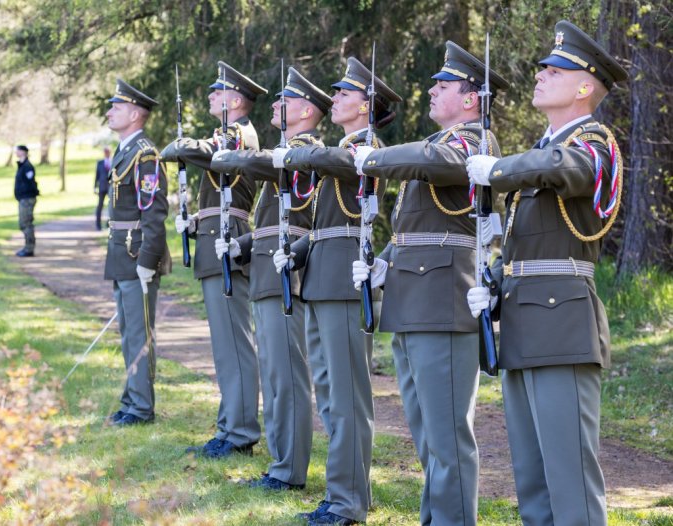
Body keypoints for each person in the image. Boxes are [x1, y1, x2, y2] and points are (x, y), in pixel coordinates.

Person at [466, 20, 628, 526]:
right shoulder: (544, 149)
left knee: (570, 480)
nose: (540, 75)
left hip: (562, 325)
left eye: (553, 70)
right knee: (532, 480)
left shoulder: (592, 144)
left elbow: (564, 169)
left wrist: (497, 169)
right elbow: (528, 240)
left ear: (583, 86)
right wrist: (494, 284)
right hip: (524, 321)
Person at [350, 41, 509, 526]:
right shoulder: (439, 144)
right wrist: (384, 264)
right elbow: (413, 229)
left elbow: (432, 164)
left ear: (470, 99)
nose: (432, 90)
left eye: (444, 85)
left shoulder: (474, 142)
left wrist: (371, 159)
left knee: (447, 437)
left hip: (443, 299)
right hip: (413, 297)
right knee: (426, 432)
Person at [273, 56, 402, 525]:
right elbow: (326, 226)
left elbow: (324, 159)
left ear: (367, 106)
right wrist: (300, 251)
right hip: (324, 277)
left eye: (346, 94)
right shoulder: (344, 147)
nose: (336, 99)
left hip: (345, 282)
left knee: (346, 396)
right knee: (330, 392)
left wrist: (290, 153)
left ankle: (347, 503)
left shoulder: (365, 148)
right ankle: (348, 492)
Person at [210, 67, 332, 490]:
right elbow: (268, 222)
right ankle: (281, 464)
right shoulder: (287, 153)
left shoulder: (303, 152)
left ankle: (289, 470)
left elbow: (294, 214)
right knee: (275, 373)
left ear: (306, 110)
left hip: (285, 273)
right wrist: (243, 247)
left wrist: (230, 157)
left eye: (285, 101)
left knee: (287, 377)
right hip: (265, 266)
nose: (276, 106)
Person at [161, 62, 267, 458]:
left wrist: (184, 145)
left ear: (235, 100)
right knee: (224, 345)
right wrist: (194, 221)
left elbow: (195, 151)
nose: (208, 96)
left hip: (228, 243)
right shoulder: (227, 136)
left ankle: (240, 433)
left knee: (234, 343)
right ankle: (229, 427)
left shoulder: (239, 135)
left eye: (217, 91)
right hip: (213, 238)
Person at [103, 79, 170, 426]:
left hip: (135, 255)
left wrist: (148, 260)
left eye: (115, 107)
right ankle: (131, 400)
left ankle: (142, 408)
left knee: (139, 333)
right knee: (129, 332)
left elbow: (154, 213)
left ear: (134, 113)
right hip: (121, 253)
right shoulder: (127, 150)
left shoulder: (145, 153)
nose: (109, 112)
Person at [14, 145, 39, 257]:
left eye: (18, 151)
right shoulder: (22, 166)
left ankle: (29, 248)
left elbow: (30, 182)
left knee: (26, 223)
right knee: (23, 223)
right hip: (23, 198)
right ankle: (27, 247)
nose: (16, 153)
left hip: (27, 199)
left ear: (23, 152)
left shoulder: (27, 166)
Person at [94, 146, 112, 230]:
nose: (106, 153)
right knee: (100, 206)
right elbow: (96, 176)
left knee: (111, 206)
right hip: (102, 187)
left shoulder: (113, 161)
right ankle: (98, 225)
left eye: (108, 151)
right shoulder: (100, 163)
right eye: (105, 151)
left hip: (111, 187)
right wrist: (95, 187)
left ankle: (109, 224)